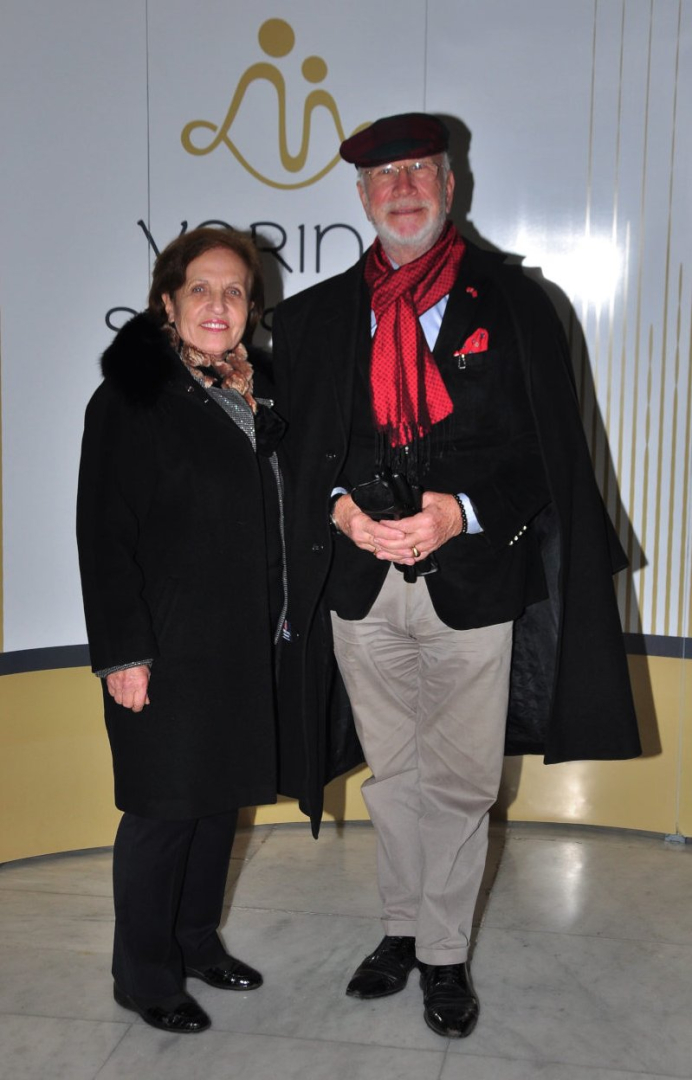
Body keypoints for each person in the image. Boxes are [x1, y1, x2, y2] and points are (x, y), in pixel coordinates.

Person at [271, 113, 641, 1039]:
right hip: (359, 584)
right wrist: (340, 512)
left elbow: (545, 453)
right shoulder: (313, 318)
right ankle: (400, 928)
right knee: (393, 773)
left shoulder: (515, 304)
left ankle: (442, 952)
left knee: (464, 781)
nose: (402, 189)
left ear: (449, 183)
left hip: (472, 579)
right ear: (362, 196)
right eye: (383, 176)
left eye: (418, 171)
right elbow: (293, 453)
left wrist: (459, 511)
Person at [77, 226, 286, 1035]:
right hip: (163, 646)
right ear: (167, 302)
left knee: (216, 804)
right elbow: (104, 535)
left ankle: (196, 942)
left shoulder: (259, 394)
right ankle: (144, 975)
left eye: (235, 290)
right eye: (201, 288)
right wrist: (124, 653)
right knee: (164, 812)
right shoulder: (129, 398)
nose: (218, 304)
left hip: (242, 642)